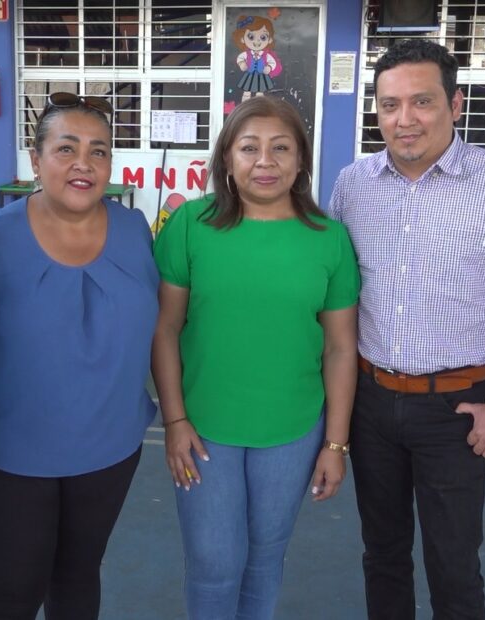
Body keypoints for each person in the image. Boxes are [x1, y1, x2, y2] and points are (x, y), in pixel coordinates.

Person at [328, 39, 485, 620]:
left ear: (455, 104)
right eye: (389, 105)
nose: (404, 119)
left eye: (422, 101)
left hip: (457, 410)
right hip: (370, 403)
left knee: (454, 567)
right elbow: (333, 297)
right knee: (382, 557)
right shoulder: (352, 185)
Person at [151, 96, 360, 620]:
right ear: (227, 157)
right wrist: (174, 420)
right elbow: (165, 328)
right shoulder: (190, 224)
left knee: (265, 560)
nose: (265, 161)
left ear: (301, 160)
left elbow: (340, 347)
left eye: (280, 148)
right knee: (213, 564)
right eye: (249, 148)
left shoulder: (329, 240)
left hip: (293, 430)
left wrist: (335, 443)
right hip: (203, 428)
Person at [0, 92, 158, 620]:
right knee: (12, 593)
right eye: (66, 148)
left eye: (99, 151)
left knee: (77, 579)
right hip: (11, 456)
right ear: (36, 159)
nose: (83, 163)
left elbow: (163, 322)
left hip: (110, 448)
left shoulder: (134, 230)